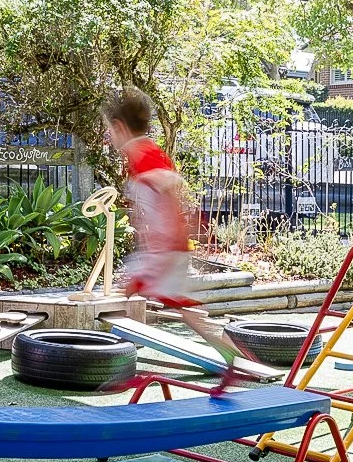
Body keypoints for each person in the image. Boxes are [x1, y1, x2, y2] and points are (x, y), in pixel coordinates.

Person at [101, 86, 245, 387]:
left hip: (164, 250)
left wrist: (163, 251)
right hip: (164, 249)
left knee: (124, 295)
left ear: (120, 127)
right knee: (185, 309)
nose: (108, 137)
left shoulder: (143, 154)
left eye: (109, 130)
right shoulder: (144, 153)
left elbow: (167, 194)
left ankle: (121, 373)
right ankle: (232, 362)